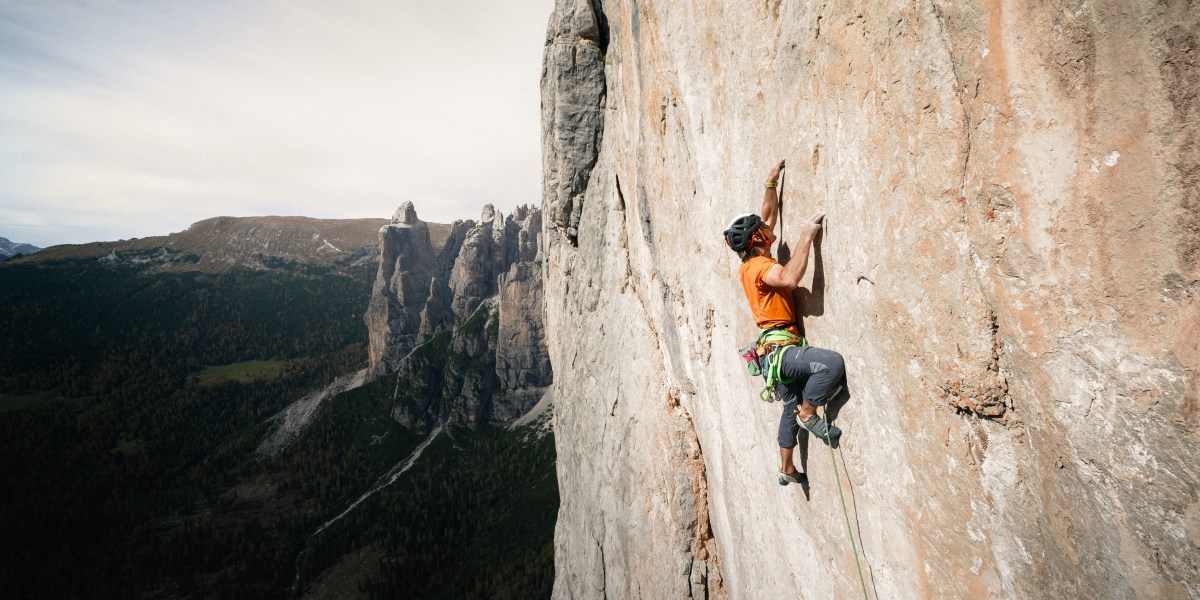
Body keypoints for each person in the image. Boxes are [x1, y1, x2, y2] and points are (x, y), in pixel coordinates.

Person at [724, 159, 846, 487]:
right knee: (830, 365)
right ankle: (810, 414)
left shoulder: (750, 262)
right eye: (762, 230)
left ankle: (787, 468)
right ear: (756, 239)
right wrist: (807, 237)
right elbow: (791, 279)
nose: (769, 228)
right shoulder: (762, 267)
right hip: (782, 351)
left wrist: (770, 183)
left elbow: (767, 216)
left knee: (788, 404)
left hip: (769, 356)